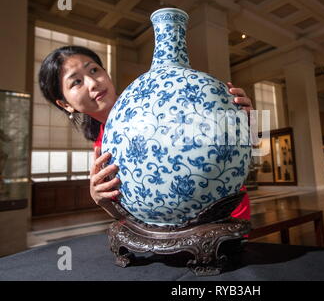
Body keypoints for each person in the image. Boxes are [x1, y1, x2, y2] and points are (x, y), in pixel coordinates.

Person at [39, 45, 253, 221]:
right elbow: (128, 216)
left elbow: (239, 149)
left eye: (94, 70)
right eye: (76, 81)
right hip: (165, 234)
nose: (93, 83)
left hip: (226, 218)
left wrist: (245, 121)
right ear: (65, 104)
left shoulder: (162, 100)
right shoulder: (101, 147)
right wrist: (100, 198)